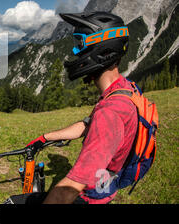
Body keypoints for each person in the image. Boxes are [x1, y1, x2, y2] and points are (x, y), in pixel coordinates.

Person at [19, 12, 136, 204]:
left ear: (102, 49)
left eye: (79, 44)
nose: (76, 52)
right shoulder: (122, 90)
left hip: (91, 197)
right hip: (105, 188)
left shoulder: (110, 113)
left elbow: (70, 188)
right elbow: (88, 125)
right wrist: (46, 137)